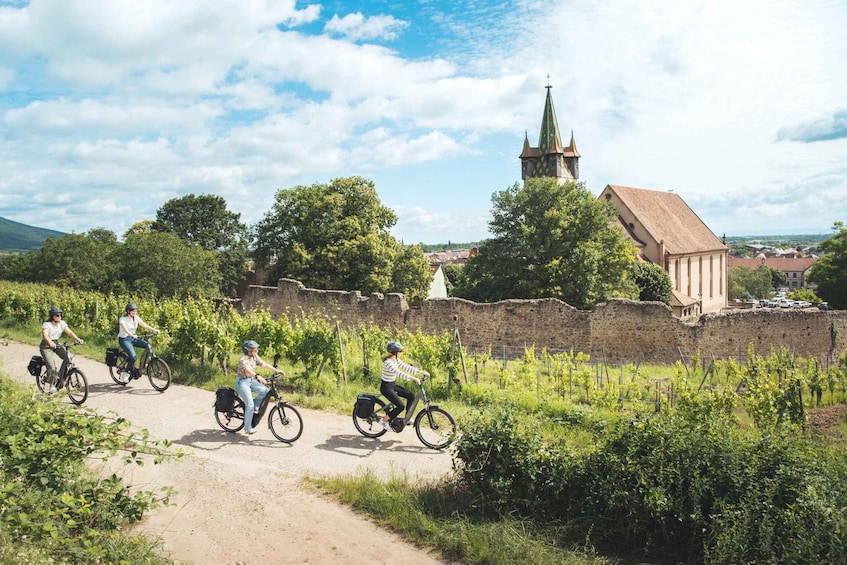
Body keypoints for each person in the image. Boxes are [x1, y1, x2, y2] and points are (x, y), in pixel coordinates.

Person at [380, 341, 429, 431]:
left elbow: (406, 367)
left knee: (411, 396)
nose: (401, 353)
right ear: (395, 352)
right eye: (400, 351)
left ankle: (407, 418)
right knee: (400, 406)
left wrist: (421, 372)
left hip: (392, 385)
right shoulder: (388, 363)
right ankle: (384, 420)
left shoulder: (396, 360)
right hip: (386, 388)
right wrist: (413, 379)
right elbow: (399, 373)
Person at [236, 340, 276, 435]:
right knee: (250, 406)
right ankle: (248, 428)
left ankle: (253, 406)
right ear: (248, 351)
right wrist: (257, 376)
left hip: (250, 381)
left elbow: (263, 364)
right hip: (242, 383)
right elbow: (247, 371)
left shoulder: (254, 356)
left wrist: (276, 370)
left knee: (266, 392)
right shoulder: (243, 359)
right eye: (254, 350)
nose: (257, 351)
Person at [40, 306, 84, 393]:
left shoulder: (62, 323)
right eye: (57, 315)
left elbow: (70, 332)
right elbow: (45, 336)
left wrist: (77, 339)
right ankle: (51, 385)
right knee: (51, 366)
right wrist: (50, 342)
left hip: (56, 343)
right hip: (46, 346)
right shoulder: (47, 325)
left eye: (60, 315)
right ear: (52, 316)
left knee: (68, 358)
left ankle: (60, 377)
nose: (59, 317)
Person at [117, 303, 159, 384]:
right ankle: (125, 373)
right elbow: (125, 329)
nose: (135, 312)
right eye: (133, 310)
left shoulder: (135, 318)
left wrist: (154, 330)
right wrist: (131, 335)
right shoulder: (122, 319)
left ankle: (142, 365)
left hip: (133, 338)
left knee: (148, 346)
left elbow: (144, 325)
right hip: (124, 339)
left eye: (136, 310)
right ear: (128, 311)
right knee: (133, 357)